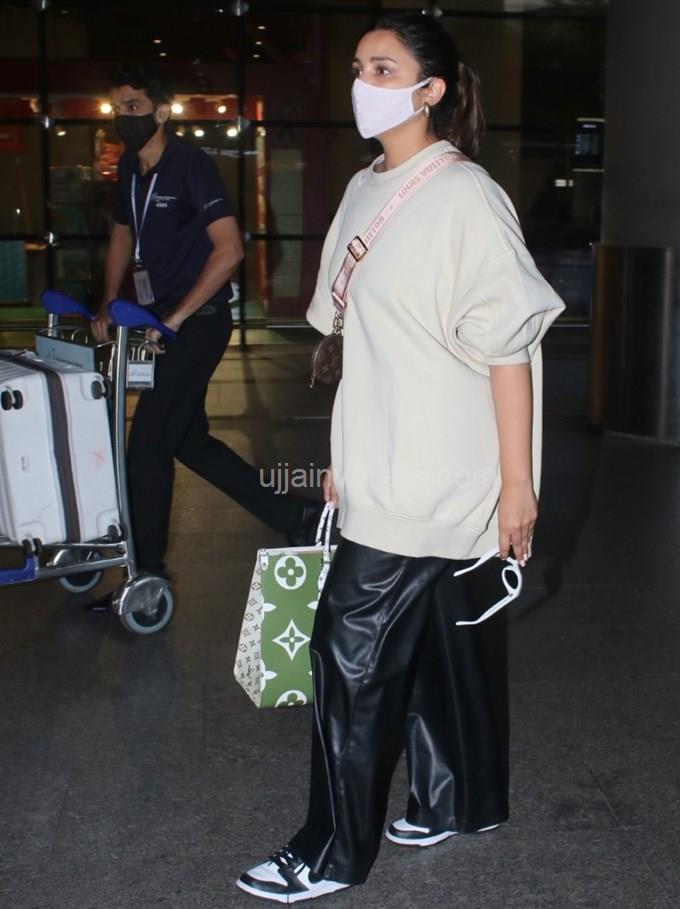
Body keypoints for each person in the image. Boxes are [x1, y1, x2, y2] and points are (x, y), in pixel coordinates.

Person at [237, 13, 564, 903]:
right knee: (439, 640)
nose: (363, 83)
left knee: (347, 655)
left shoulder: (466, 198)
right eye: (358, 66)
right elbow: (355, 340)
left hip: (437, 467)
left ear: (432, 90)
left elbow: (508, 350)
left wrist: (517, 485)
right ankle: (461, 797)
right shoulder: (363, 187)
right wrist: (340, 455)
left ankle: (330, 851)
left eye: (383, 69)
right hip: (383, 457)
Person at [91, 65, 321, 586]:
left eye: (132, 106)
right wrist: (108, 301)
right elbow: (123, 234)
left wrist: (175, 317)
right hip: (160, 323)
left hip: (198, 323)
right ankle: (296, 516)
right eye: (116, 108)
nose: (122, 116)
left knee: (147, 445)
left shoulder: (191, 166)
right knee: (188, 441)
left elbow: (230, 249)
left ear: (161, 112)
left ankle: (145, 574)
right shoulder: (129, 167)